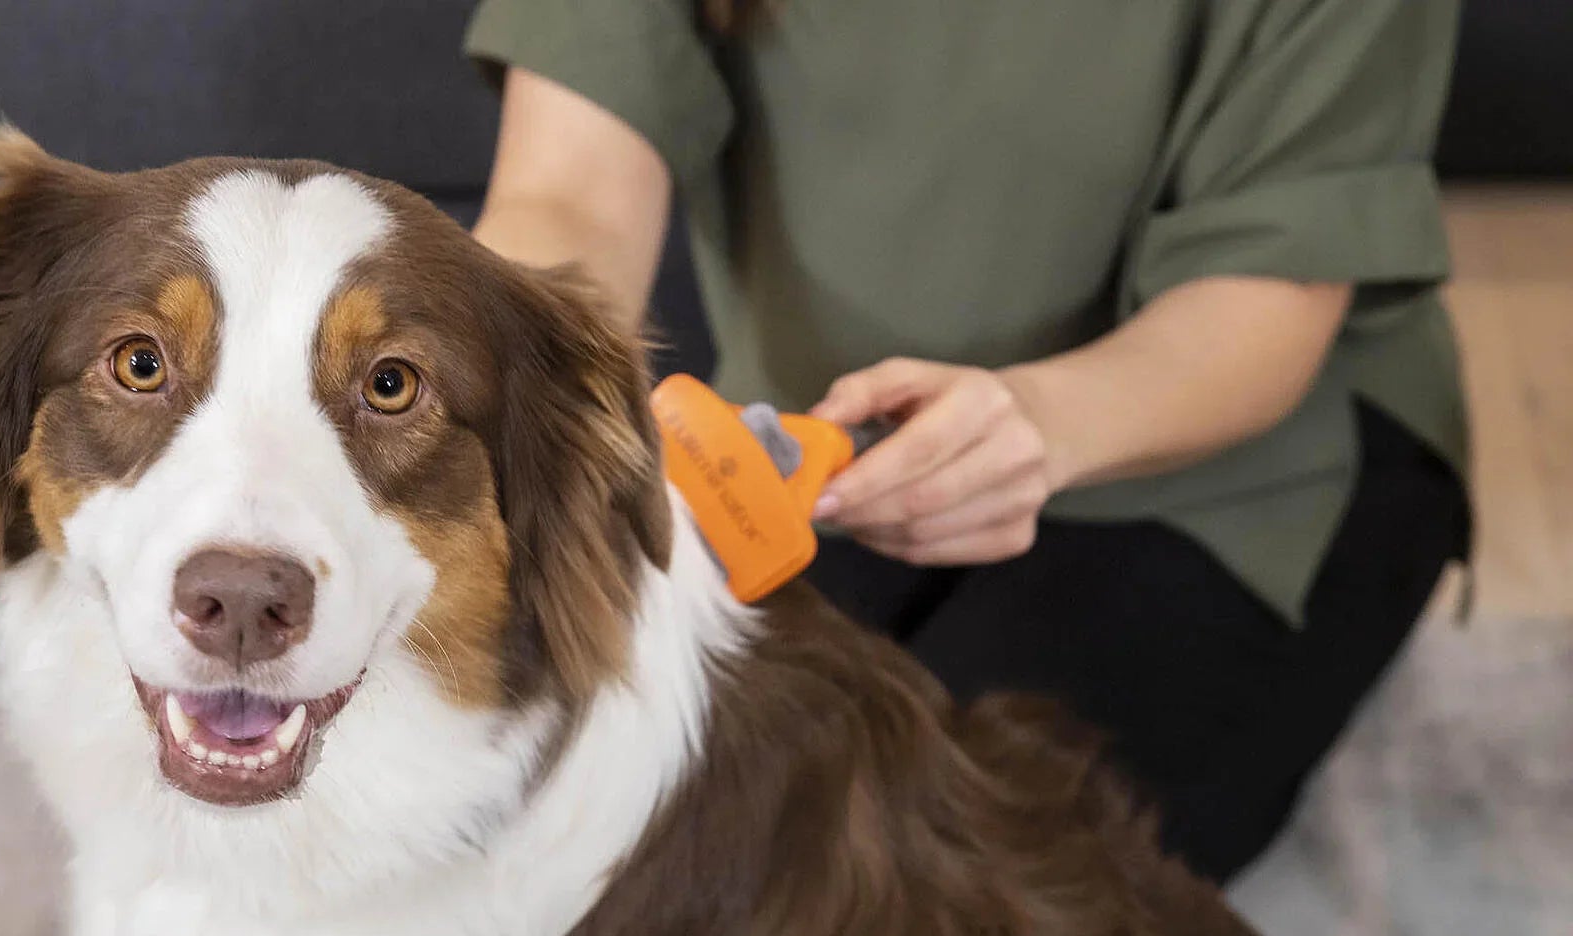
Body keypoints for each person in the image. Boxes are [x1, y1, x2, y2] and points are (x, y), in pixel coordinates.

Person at [463, 0, 1470, 883]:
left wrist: (1040, 425)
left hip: (1232, 467)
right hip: (814, 451)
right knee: (606, 817)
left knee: (923, 881)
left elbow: (1256, 312)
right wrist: (486, 419)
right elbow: (572, 192)